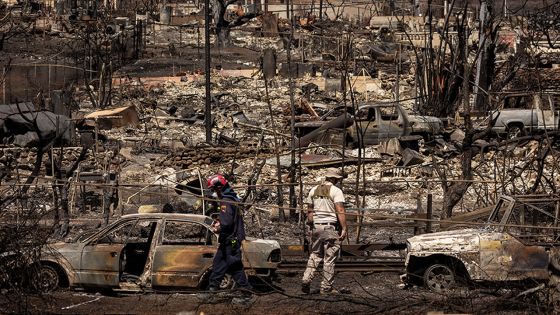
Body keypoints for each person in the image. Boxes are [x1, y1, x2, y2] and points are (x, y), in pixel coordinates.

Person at [205, 174, 253, 303]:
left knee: (234, 264)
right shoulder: (231, 199)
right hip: (228, 239)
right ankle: (212, 290)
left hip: (232, 240)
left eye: (214, 190)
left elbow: (226, 223)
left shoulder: (226, 201)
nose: (214, 193)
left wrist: (218, 228)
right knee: (218, 264)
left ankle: (246, 292)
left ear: (219, 188)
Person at [301, 168, 347, 295]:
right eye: (337, 179)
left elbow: (309, 211)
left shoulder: (314, 190)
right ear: (333, 179)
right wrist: (344, 228)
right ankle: (326, 287)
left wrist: (311, 226)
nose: (338, 181)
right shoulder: (336, 191)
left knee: (315, 255)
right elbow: (340, 210)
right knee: (329, 258)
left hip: (316, 226)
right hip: (330, 227)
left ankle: (306, 279)